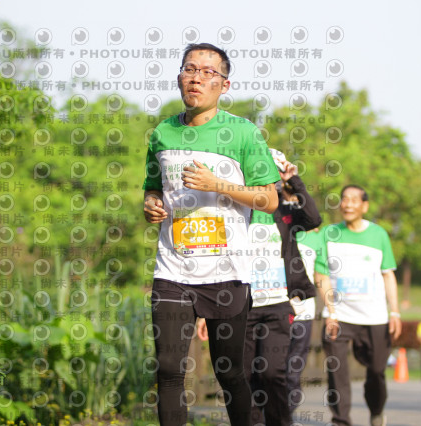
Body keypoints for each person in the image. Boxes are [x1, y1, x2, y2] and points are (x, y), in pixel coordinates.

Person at [142, 42, 280, 426]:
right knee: (168, 368)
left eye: (207, 72)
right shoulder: (162, 133)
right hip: (172, 268)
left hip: (226, 271)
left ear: (224, 84)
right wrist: (151, 205)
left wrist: (217, 185)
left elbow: (269, 199)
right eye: (190, 69)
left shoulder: (244, 133)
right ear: (179, 77)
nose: (196, 78)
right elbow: (152, 189)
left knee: (228, 371)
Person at [242, 150, 321, 425]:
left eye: (273, 172)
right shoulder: (238, 209)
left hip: (277, 304)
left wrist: (293, 181)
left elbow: (313, 219)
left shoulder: (285, 211)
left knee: (272, 373)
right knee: (245, 375)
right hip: (243, 305)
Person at [314, 185, 402, 426]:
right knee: (337, 372)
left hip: (374, 317)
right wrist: (330, 312)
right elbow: (321, 275)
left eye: (354, 200)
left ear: (365, 206)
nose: (348, 204)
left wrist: (394, 312)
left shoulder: (379, 235)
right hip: (338, 316)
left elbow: (388, 275)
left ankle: (376, 410)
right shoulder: (329, 233)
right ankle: (341, 420)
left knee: (377, 370)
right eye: (344, 199)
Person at [287, 227, 322, 415]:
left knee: (293, 370)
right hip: (273, 311)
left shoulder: (316, 238)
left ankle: (286, 413)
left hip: (303, 314)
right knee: (269, 368)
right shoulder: (276, 230)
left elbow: (322, 275)